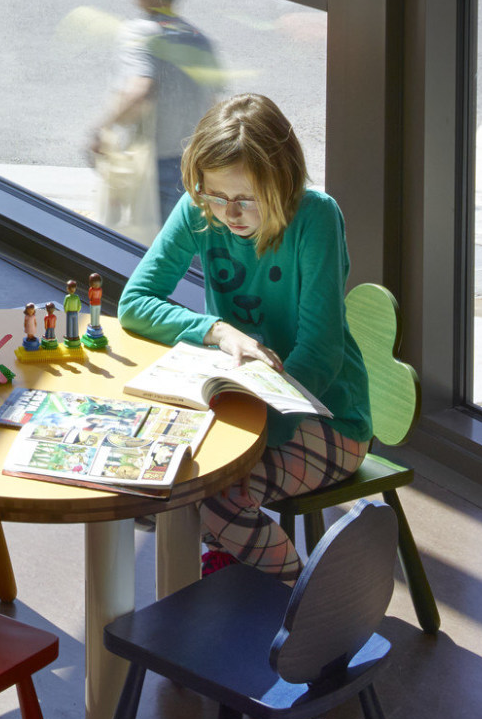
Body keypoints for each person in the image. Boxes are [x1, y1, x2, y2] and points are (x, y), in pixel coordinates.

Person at [118, 90, 369, 582]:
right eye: (215, 194)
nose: (229, 214)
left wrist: (246, 442)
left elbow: (319, 354)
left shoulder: (315, 218)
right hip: (236, 409)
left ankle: (308, 605)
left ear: (284, 184)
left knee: (212, 495)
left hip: (327, 417)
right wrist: (215, 328)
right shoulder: (202, 210)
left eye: (246, 199)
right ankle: (231, 571)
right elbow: (135, 303)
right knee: (153, 479)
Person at [87, 0, 221, 221]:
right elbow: (214, 106)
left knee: (141, 244)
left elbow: (140, 90)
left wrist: (101, 129)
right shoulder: (200, 39)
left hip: (152, 169)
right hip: (192, 166)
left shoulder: (140, 34)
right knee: (187, 247)